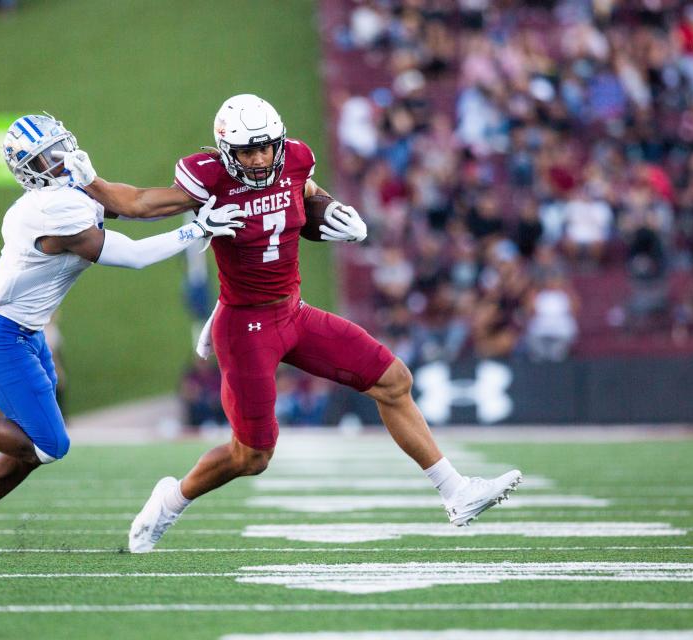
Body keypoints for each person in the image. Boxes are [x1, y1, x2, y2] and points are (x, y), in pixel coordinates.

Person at [63, 94, 522, 553]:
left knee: (393, 380)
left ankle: (455, 491)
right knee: (253, 455)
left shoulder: (296, 159)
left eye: (266, 146)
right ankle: (169, 501)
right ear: (226, 150)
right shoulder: (209, 179)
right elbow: (142, 203)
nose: (260, 158)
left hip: (294, 313)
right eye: (247, 150)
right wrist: (93, 183)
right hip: (245, 326)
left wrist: (336, 212)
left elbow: (305, 196)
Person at [0, 113, 247, 556]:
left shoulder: (70, 189)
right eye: (45, 156)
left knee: (32, 441)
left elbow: (135, 201)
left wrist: (195, 198)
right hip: (0, 332)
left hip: (22, 328)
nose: (59, 160)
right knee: (49, 444)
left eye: (59, 147)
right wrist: (198, 227)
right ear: (27, 169)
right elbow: (133, 255)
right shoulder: (51, 207)